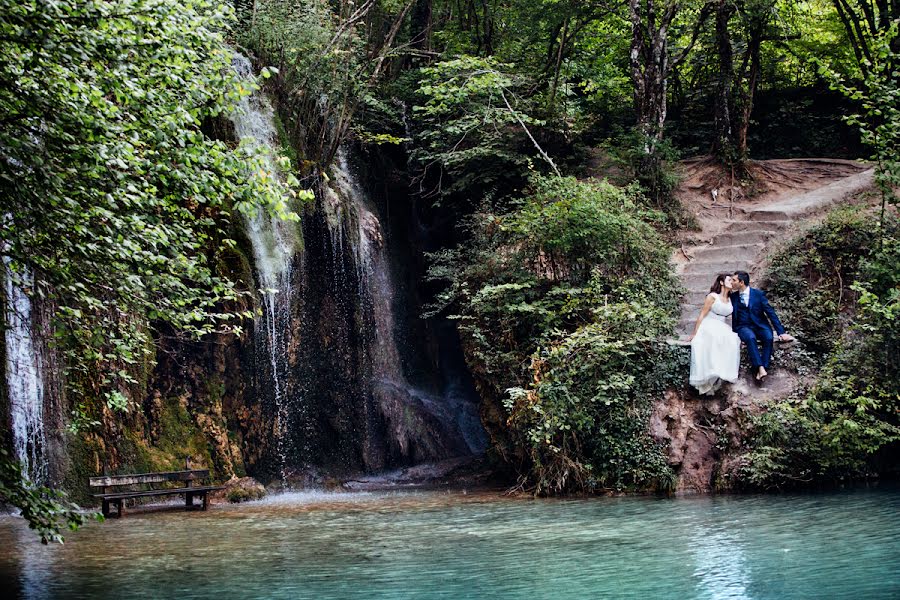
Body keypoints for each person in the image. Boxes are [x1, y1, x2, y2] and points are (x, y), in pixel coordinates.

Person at [730, 271, 795, 381]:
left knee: (768, 337)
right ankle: (760, 368)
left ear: (741, 282)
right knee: (750, 338)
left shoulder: (758, 295)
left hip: (760, 325)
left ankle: (763, 367)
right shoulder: (733, 297)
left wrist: (781, 332)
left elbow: (770, 313)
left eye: (734, 280)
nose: (732, 282)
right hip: (743, 326)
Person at [688, 274, 741, 395]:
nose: (731, 282)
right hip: (709, 323)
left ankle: (721, 371)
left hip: (723, 325)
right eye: (729, 280)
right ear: (722, 282)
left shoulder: (731, 299)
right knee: (714, 337)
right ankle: (710, 372)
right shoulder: (713, 296)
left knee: (732, 339)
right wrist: (695, 333)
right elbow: (702, 314)